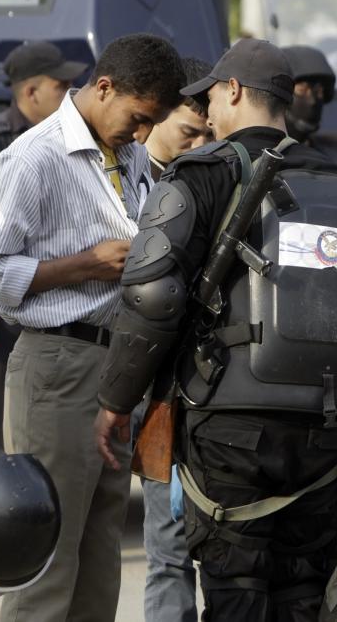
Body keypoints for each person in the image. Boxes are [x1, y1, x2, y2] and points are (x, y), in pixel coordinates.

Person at [94, 38, 337, 620]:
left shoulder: (201, 174)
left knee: (237, 595)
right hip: (328, 433)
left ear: (233, 91)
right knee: (305, 599)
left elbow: (151, 293)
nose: (206, 112)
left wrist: (116, 399)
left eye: (210, 96)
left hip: (228, 433)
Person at [0, 33, 185, 622]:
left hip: (117, 368)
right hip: (59, 364)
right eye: (138, 119)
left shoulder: (130, 156)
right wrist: (83, 264)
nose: (142, 135)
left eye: (150, 124)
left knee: (100, 559)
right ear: (104, 88)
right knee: (48, 561)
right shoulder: (32, 157)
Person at [0, 41, 87, 444]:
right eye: (61, 87)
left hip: (36, 304)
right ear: (30, 92)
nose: (69, 97)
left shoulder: (56, 141)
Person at [135, 55, 213, 622]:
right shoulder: (127, 180)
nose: (197, 144)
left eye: (207, 134)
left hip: (211, 385)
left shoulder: (217, 178)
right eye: (189, 132)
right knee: (167, 553)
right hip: (152, 388)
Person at [282, 45, 337, 165]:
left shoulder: (331, 159)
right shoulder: (264, 157)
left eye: (319, 91)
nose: (312, 100)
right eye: (302, 89)